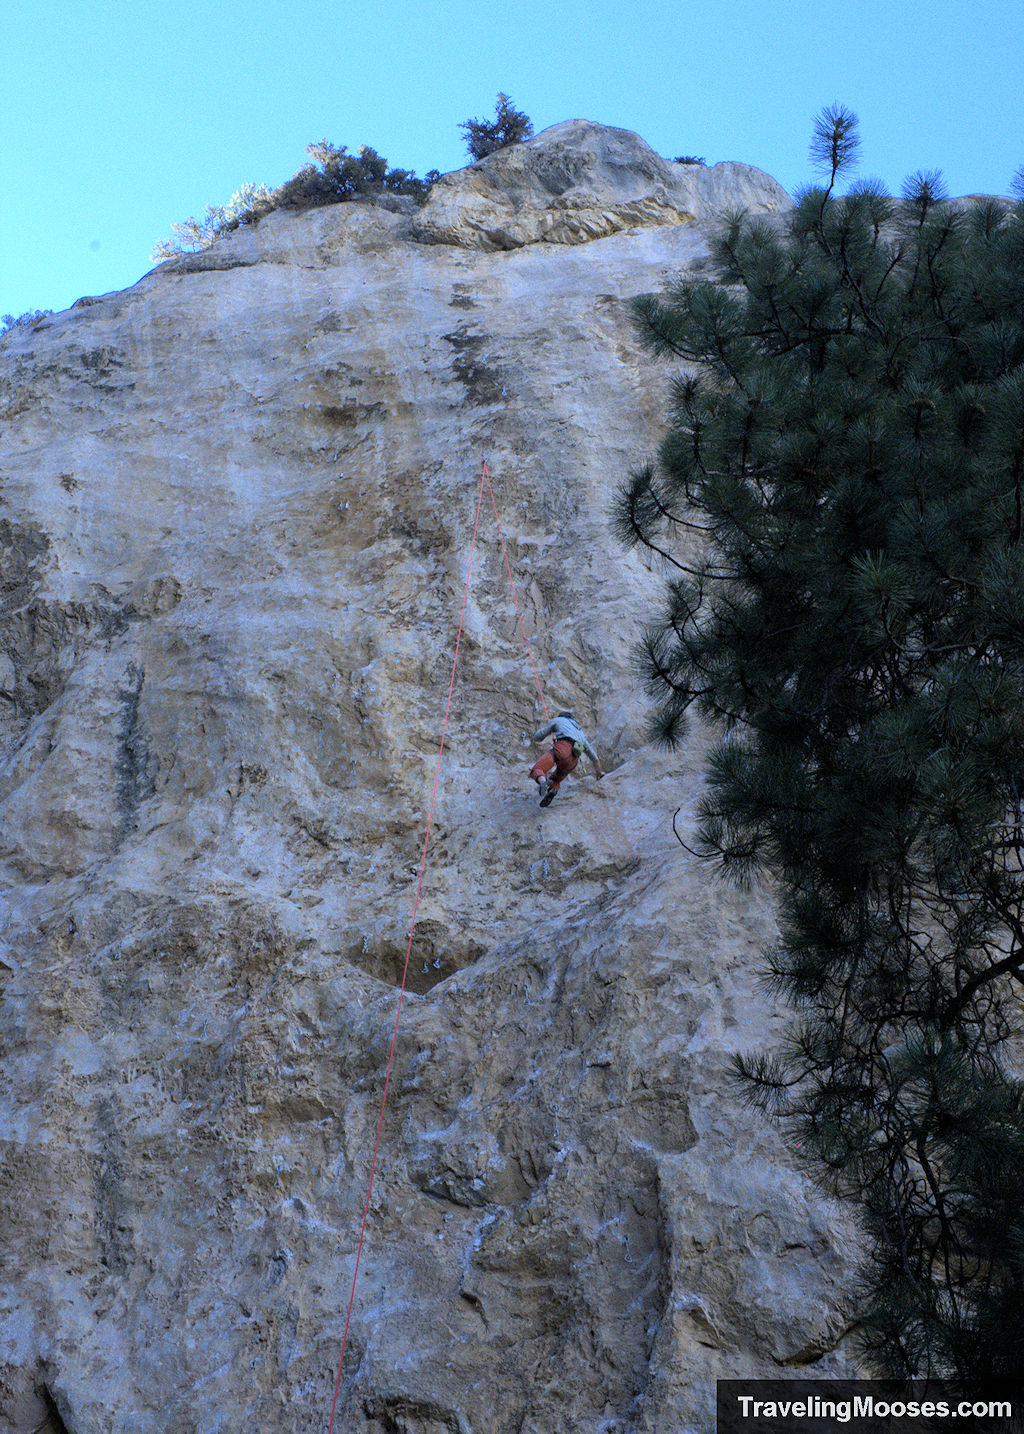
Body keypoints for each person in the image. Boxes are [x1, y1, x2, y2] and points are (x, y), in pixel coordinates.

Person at [529, 710, 604, 807]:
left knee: (538, 768)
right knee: (556, 779)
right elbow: (593, 756)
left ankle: (544, 783)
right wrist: (599, 773)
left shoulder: (558, 720)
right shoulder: (580, 732)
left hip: (562, 749)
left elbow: (538, 736)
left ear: (562, 716)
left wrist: (536, 735)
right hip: (573, 761)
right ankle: (553, 790)